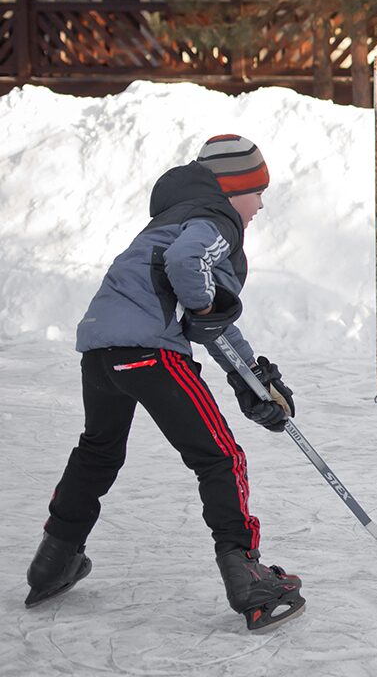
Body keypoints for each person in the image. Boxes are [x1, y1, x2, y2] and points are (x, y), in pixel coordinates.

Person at [25, 134, 306, 632]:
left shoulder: (166, 224)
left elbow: (207, 320)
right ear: (232, 189)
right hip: (152, 353)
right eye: (257, 190)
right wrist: (200, 305)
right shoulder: (215, 220)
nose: (261, 203)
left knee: (98, 450)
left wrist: (252, 380)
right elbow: (189, 276)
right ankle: (247, 577)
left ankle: (54, 560)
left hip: (101, 352)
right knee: (220, 457)